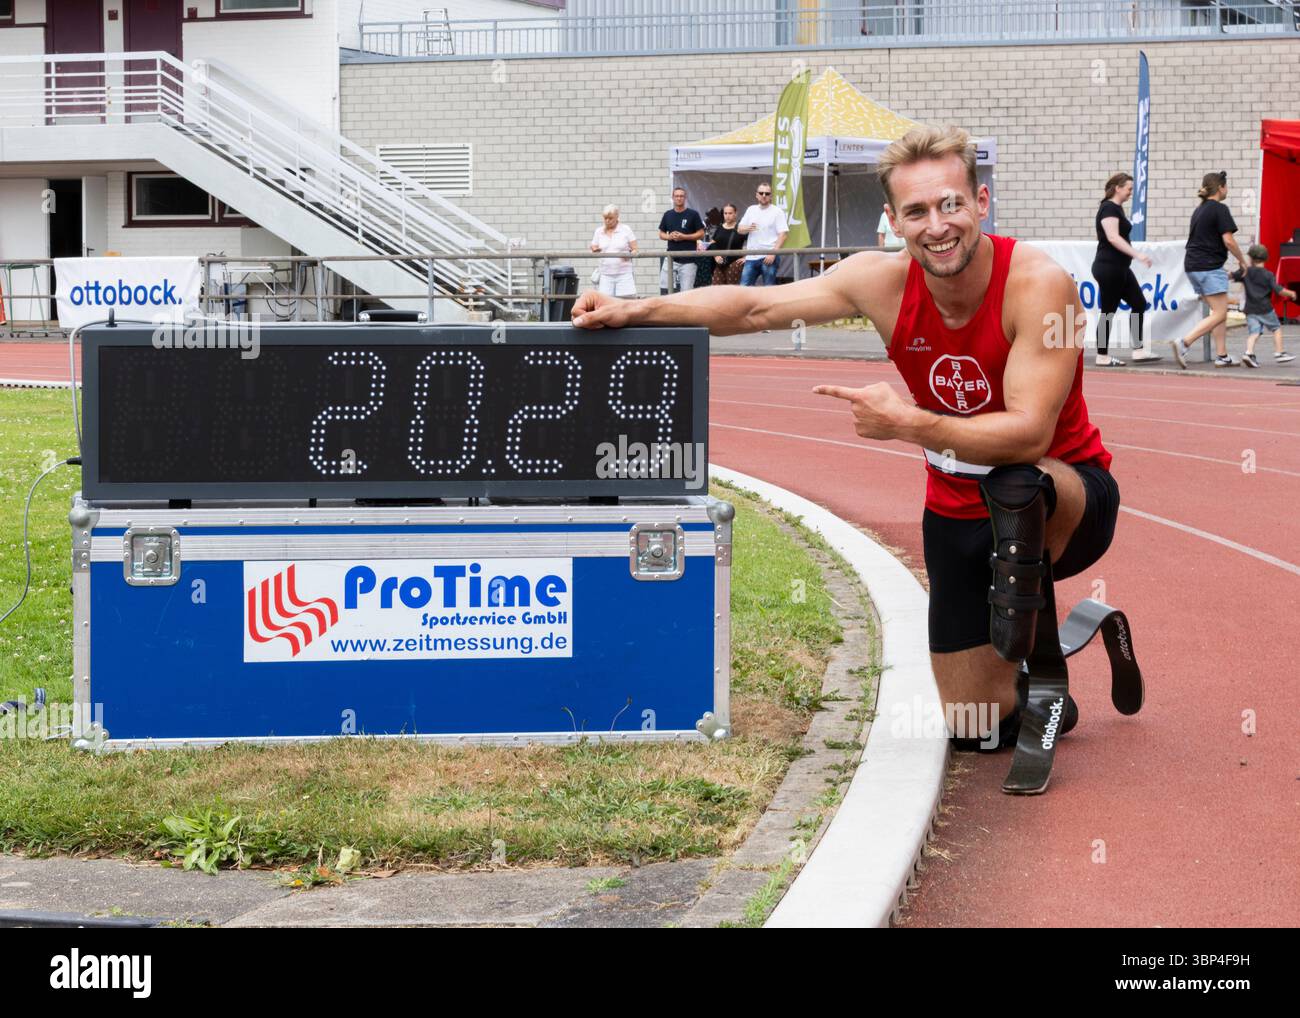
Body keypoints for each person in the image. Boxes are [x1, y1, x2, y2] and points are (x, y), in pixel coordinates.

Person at [573, 125, 1117, 751]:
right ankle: (1022, 686)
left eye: (952, 204)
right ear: (893, 220)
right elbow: (756, 310)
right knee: (975, 729)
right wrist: (635, 311)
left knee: (1018, 484)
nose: (937, 225)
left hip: (1064, 497)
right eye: (917, 211)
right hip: (955, 508)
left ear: (981, 204)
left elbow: (1027, 435)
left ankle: (1033, 628)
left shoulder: (1039, 283)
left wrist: (909, 423)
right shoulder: (879, 281)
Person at [1169, 171, 1248, 368]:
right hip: (1208, 266)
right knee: (1221, 313)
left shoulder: (1200, 210)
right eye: (1226, 186)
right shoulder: (1219, 209)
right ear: (1221, 188)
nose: (1227, 189)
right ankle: (1184, 342)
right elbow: (1228, 240)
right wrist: (1242, 261)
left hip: (1193, 266)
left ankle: (1222, 355)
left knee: (1216, 311)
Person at [1091, 172, 1153, 367]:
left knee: (1139, 303)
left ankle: (1139, 350)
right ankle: (1102, 356)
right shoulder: (1109, 208)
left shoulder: (1116, 209)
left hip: (1120, 268)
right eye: (1129, 189)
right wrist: (1137, 254)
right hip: (1109, 268)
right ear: (1117, 188)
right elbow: (1112, 237)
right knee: (1108, 310)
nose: (1130, 193)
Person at [1232, 244, 1297, 368]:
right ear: (1266, 258)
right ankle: (1279, 352)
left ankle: (1249, 353)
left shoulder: (1245, 272)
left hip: (1250, 310)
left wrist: (1236, 269)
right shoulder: (1268, 275)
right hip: (1265, 309)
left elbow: (1232, 276)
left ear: (1250, 258)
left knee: (1254, 333)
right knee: (1276, 328)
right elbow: (1278, 290)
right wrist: (1291, 293)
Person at [737, 182, 789, 286]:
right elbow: (739, 229)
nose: (764, 195)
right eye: (761, 193)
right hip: (751, 257)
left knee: (768, 289)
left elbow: (783, 234)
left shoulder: (777, 211)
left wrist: (773, 253)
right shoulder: (751, 209)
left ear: (771, 196)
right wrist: (748, 228)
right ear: (756, 195)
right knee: (744, 288)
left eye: (767, 193)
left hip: (768, 255)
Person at [658, 187, 705, 294]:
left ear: (685, 198)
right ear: (673, 198)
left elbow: (701, 234)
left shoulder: (693, 214)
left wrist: (684, 236)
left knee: (686, 292)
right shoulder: (668, 214)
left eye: (681, 196)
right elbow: (661, 234)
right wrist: (669, 237)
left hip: (689, 260)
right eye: (676, 196)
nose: (679, 198)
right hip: (671, 258)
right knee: (665, 288)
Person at [590, 204, 638, 298]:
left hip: (624, 273)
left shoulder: (625, 229)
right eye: (605, 218)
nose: (607, 221)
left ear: (617, 216)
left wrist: (629, 255)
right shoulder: (598, 231)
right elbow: (594, 247)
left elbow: (635, 249)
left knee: (624, 303)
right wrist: (595, 250)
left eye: (610, 218)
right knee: (605, 302)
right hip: (605, 273)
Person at [704, 203, 746, 286]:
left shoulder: (741, 228)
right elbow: (713, 243)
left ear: (735, 214)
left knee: (732, 290)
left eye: (730, 213)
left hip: (735, 263)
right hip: (720, 263)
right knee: (717, 289)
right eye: (725, 213)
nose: (727, 216)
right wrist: (716, 256)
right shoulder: (720, 227)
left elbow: (751, 243)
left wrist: (746, 257)